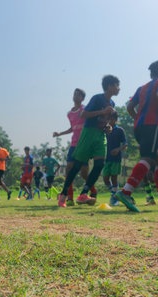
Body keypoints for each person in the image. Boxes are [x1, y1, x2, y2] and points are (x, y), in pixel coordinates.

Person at [115, 60, 158, 212]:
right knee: (148, 158)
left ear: (151, 74)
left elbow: (130, 107)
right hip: (153, 126)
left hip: (140, 126)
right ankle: (125, 192)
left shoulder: (142, 88)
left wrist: (138, 119)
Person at [58, 75, 119, 207]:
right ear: (110, 86)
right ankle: (63, 194)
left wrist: (108, 127)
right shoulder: (97, 98)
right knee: (77, 166)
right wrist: (102, 111)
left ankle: (83, 193)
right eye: (117, 85)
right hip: (88, 133)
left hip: (101, 136)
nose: (119, 88)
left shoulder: (112, 104)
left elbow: (107, 122)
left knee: (99, 164)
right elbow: (83, 114)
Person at [53, 88, 97, 206]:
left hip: (84, 144)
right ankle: (69, 198)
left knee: (83, 173)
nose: (76, 96)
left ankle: (93, 191)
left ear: (82, 98)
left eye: (78, 95)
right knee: (69, 169)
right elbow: (72, 128)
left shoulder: (85, 109)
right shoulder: (69, 113)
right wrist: (59, 134)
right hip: (73, 144)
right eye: (74, 94)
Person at [102, 111, 127, 206]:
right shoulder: (105, 130)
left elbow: (125, 144)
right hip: (106, 158)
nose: (110, 120)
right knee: (105, 179)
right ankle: (115, 193)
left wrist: (118, 149)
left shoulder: (120, 130)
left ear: (116, 120)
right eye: (109, 119)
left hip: (116, 158)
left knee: (114, 178)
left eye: (112, 119)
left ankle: (114, 198)